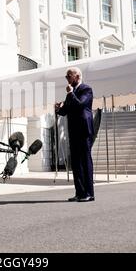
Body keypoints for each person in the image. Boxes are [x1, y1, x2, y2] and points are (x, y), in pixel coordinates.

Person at [55, 67, 95, 202]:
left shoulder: (86, 89)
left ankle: (89, 193)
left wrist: (71, 94)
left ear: (77, 76)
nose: (67, 79)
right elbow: (65, 111)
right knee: (76, 162)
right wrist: (58, 109)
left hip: (84, 130)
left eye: (69, 76)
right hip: (73, 131)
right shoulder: (70, 93)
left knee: (85, 160)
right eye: (66, 77)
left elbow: (81, 105)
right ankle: (80, 193)